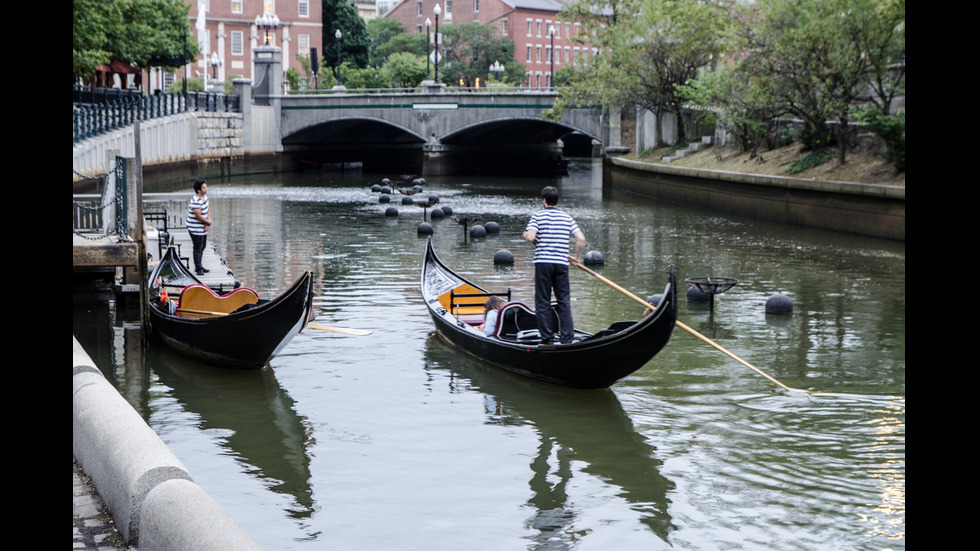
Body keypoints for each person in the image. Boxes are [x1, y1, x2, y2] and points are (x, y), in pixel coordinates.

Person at [522, 186, 586, 344]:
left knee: (543, 301)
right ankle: (567, 339)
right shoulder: (567, 218)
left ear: (543, 200)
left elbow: (531, 236)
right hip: (561, 264)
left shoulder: (537, 216)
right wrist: (577, 258)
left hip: (543, 263)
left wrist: (527, 235)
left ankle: (547, 338)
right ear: (556, 200)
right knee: (564, 301)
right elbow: (581, 239)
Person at [186, 178, 212, 275]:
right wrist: (207, 222)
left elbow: (208, 209)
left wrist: (208, 222)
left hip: (202, 228)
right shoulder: (195, 200)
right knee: (197, 248)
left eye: (206, 187)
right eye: (204, 188)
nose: (206, 189)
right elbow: (198, 216)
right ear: (198, 190)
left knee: (203, 246)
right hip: (195, 228)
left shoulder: (205, 198)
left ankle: (200, 265)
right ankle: (198, 268)